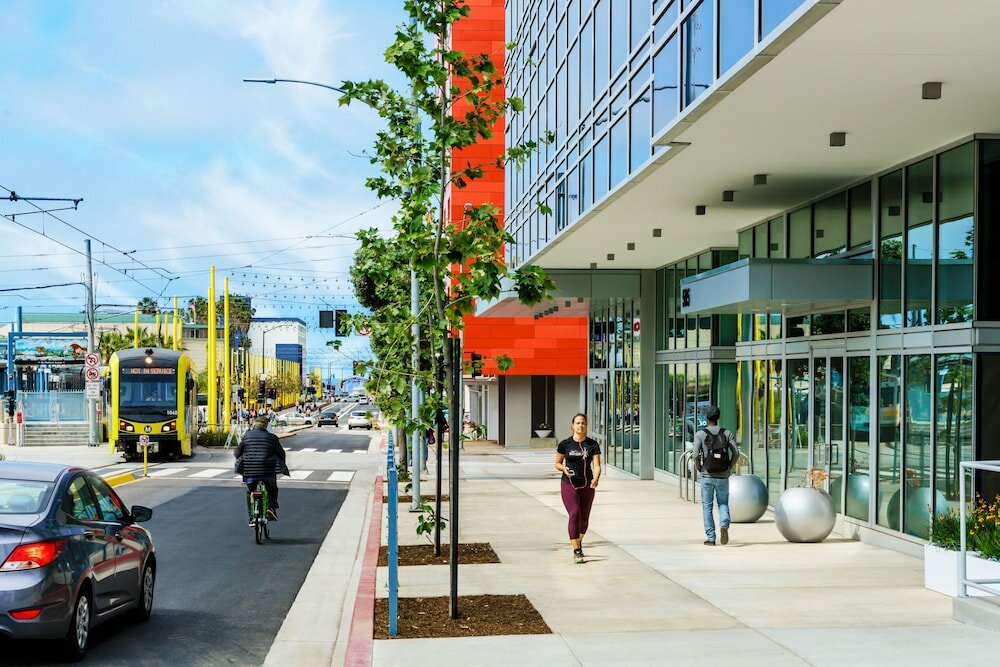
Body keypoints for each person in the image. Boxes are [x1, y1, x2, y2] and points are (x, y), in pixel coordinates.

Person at [554, 413, 602, 564]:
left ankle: (577, 541)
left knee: (585, 519)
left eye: (583, 423)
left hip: (587, 484)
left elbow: (597, 465)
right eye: (578, 423)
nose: (580, 426)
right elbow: (557, 463)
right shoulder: (565, 444)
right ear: (572, 425)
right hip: (569, 483)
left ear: (586, 426)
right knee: (574, 513)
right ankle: (577, 550)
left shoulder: (592, 445)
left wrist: (596, 478)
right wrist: (564, 468)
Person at [693, 405, 740, 546]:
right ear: (717, 418)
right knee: (723, 503)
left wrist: (699, 468)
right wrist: (729, 467)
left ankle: (711, 538)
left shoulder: (700, 434)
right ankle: (724, 524)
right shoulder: (727, 433)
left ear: (707, 418)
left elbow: (695, 455)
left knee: (707, 506)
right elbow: (736, 453)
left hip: (707, 475)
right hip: (723, 475)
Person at [235, 415, 289, 525]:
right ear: (266, 425)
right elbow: (281, 453)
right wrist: (281, 464)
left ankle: (251, 517)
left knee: (250, 491)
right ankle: (271, 507)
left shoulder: (247, 436)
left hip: (249, 471)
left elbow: (237, 453)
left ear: (254, 424)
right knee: (273, 488)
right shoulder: (272, 438)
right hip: (267, 470)